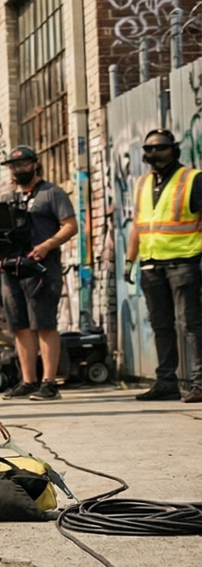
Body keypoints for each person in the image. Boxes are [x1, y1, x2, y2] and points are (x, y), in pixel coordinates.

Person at [0, 145, 78, 401]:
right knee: (19, 326)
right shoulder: (8, 199)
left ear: (34, 164)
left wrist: (46, 245)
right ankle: (28, 381)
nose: (18, 170)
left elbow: (70, 226)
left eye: (22, 164)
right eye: (13, 166)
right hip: (12, 267)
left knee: (44, 324)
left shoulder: (52, 193)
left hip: (42, 268)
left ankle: (49, 383)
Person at [125, 129, 202, 402]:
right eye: (149, 149)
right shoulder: (142, 184)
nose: (154, 153)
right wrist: (130, 260)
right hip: (150, 265)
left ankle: (200, 382)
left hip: (184, 262)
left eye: (160, 148)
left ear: (174, 150)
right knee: (161, 325)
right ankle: (166, 382)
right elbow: (138, 225)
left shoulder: (192, 179)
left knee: (191, 324)